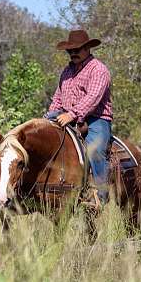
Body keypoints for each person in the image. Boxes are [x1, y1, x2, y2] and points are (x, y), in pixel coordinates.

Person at [44, 29, 113, 204]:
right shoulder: (66, 72)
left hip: (95, 119)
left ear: (88, 48)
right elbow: (58, 98)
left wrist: (73, 114)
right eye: (70, 50)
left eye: (77, 49)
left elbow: (93, 97)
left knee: (95, 150)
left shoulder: (99, 69)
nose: (73, 53)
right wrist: (48, 120)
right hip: (66, 116)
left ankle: (100, 195)